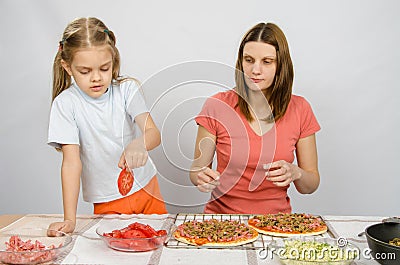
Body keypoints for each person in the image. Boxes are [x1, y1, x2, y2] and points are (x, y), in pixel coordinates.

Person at [47, 17, 167, 234]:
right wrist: (70, 219)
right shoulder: (65, 104)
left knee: (156, 243)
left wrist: (139, 144)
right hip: (107, 200)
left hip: (147, 188)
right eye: (85, 71)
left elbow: (153, 133)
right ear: (67, 67)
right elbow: (71, 163)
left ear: (113, 60)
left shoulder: (127, 89)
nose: (96, 78)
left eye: (104, 68)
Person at [190, 22, 320, 214]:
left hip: (276, 224)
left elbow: (309, 185)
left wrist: (296, 173)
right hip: (222, 222)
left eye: (267, 62)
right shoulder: (217, 105)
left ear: (280, 66)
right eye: (249, 60)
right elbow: (197, 170)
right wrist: (201, 177)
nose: (255, 70)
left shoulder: (300, 109)